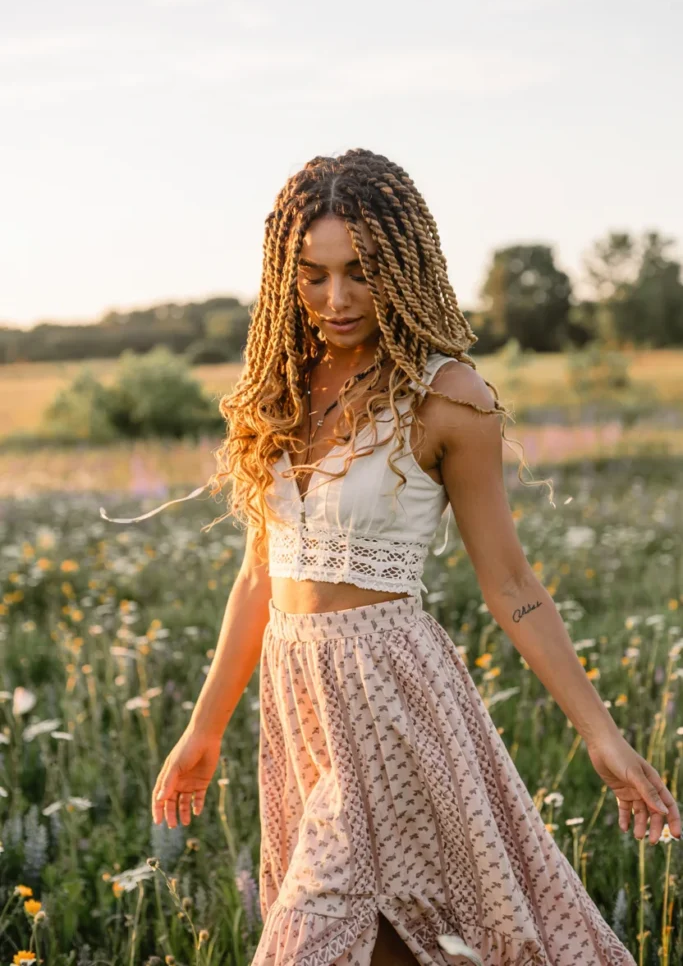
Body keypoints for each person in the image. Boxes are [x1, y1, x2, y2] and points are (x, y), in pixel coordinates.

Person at [112, 149, 680, 965]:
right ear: (285, 274)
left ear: (403, 268)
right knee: (389, 945)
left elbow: (512, 584)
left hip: (392, 702)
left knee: (313, 938)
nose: (335, 298)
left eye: (360, 272)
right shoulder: (281, 389)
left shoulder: (446, 395)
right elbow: (257, 579)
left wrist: (600, 735)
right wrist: (203, 730)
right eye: (313, 275)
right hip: (297, 703)